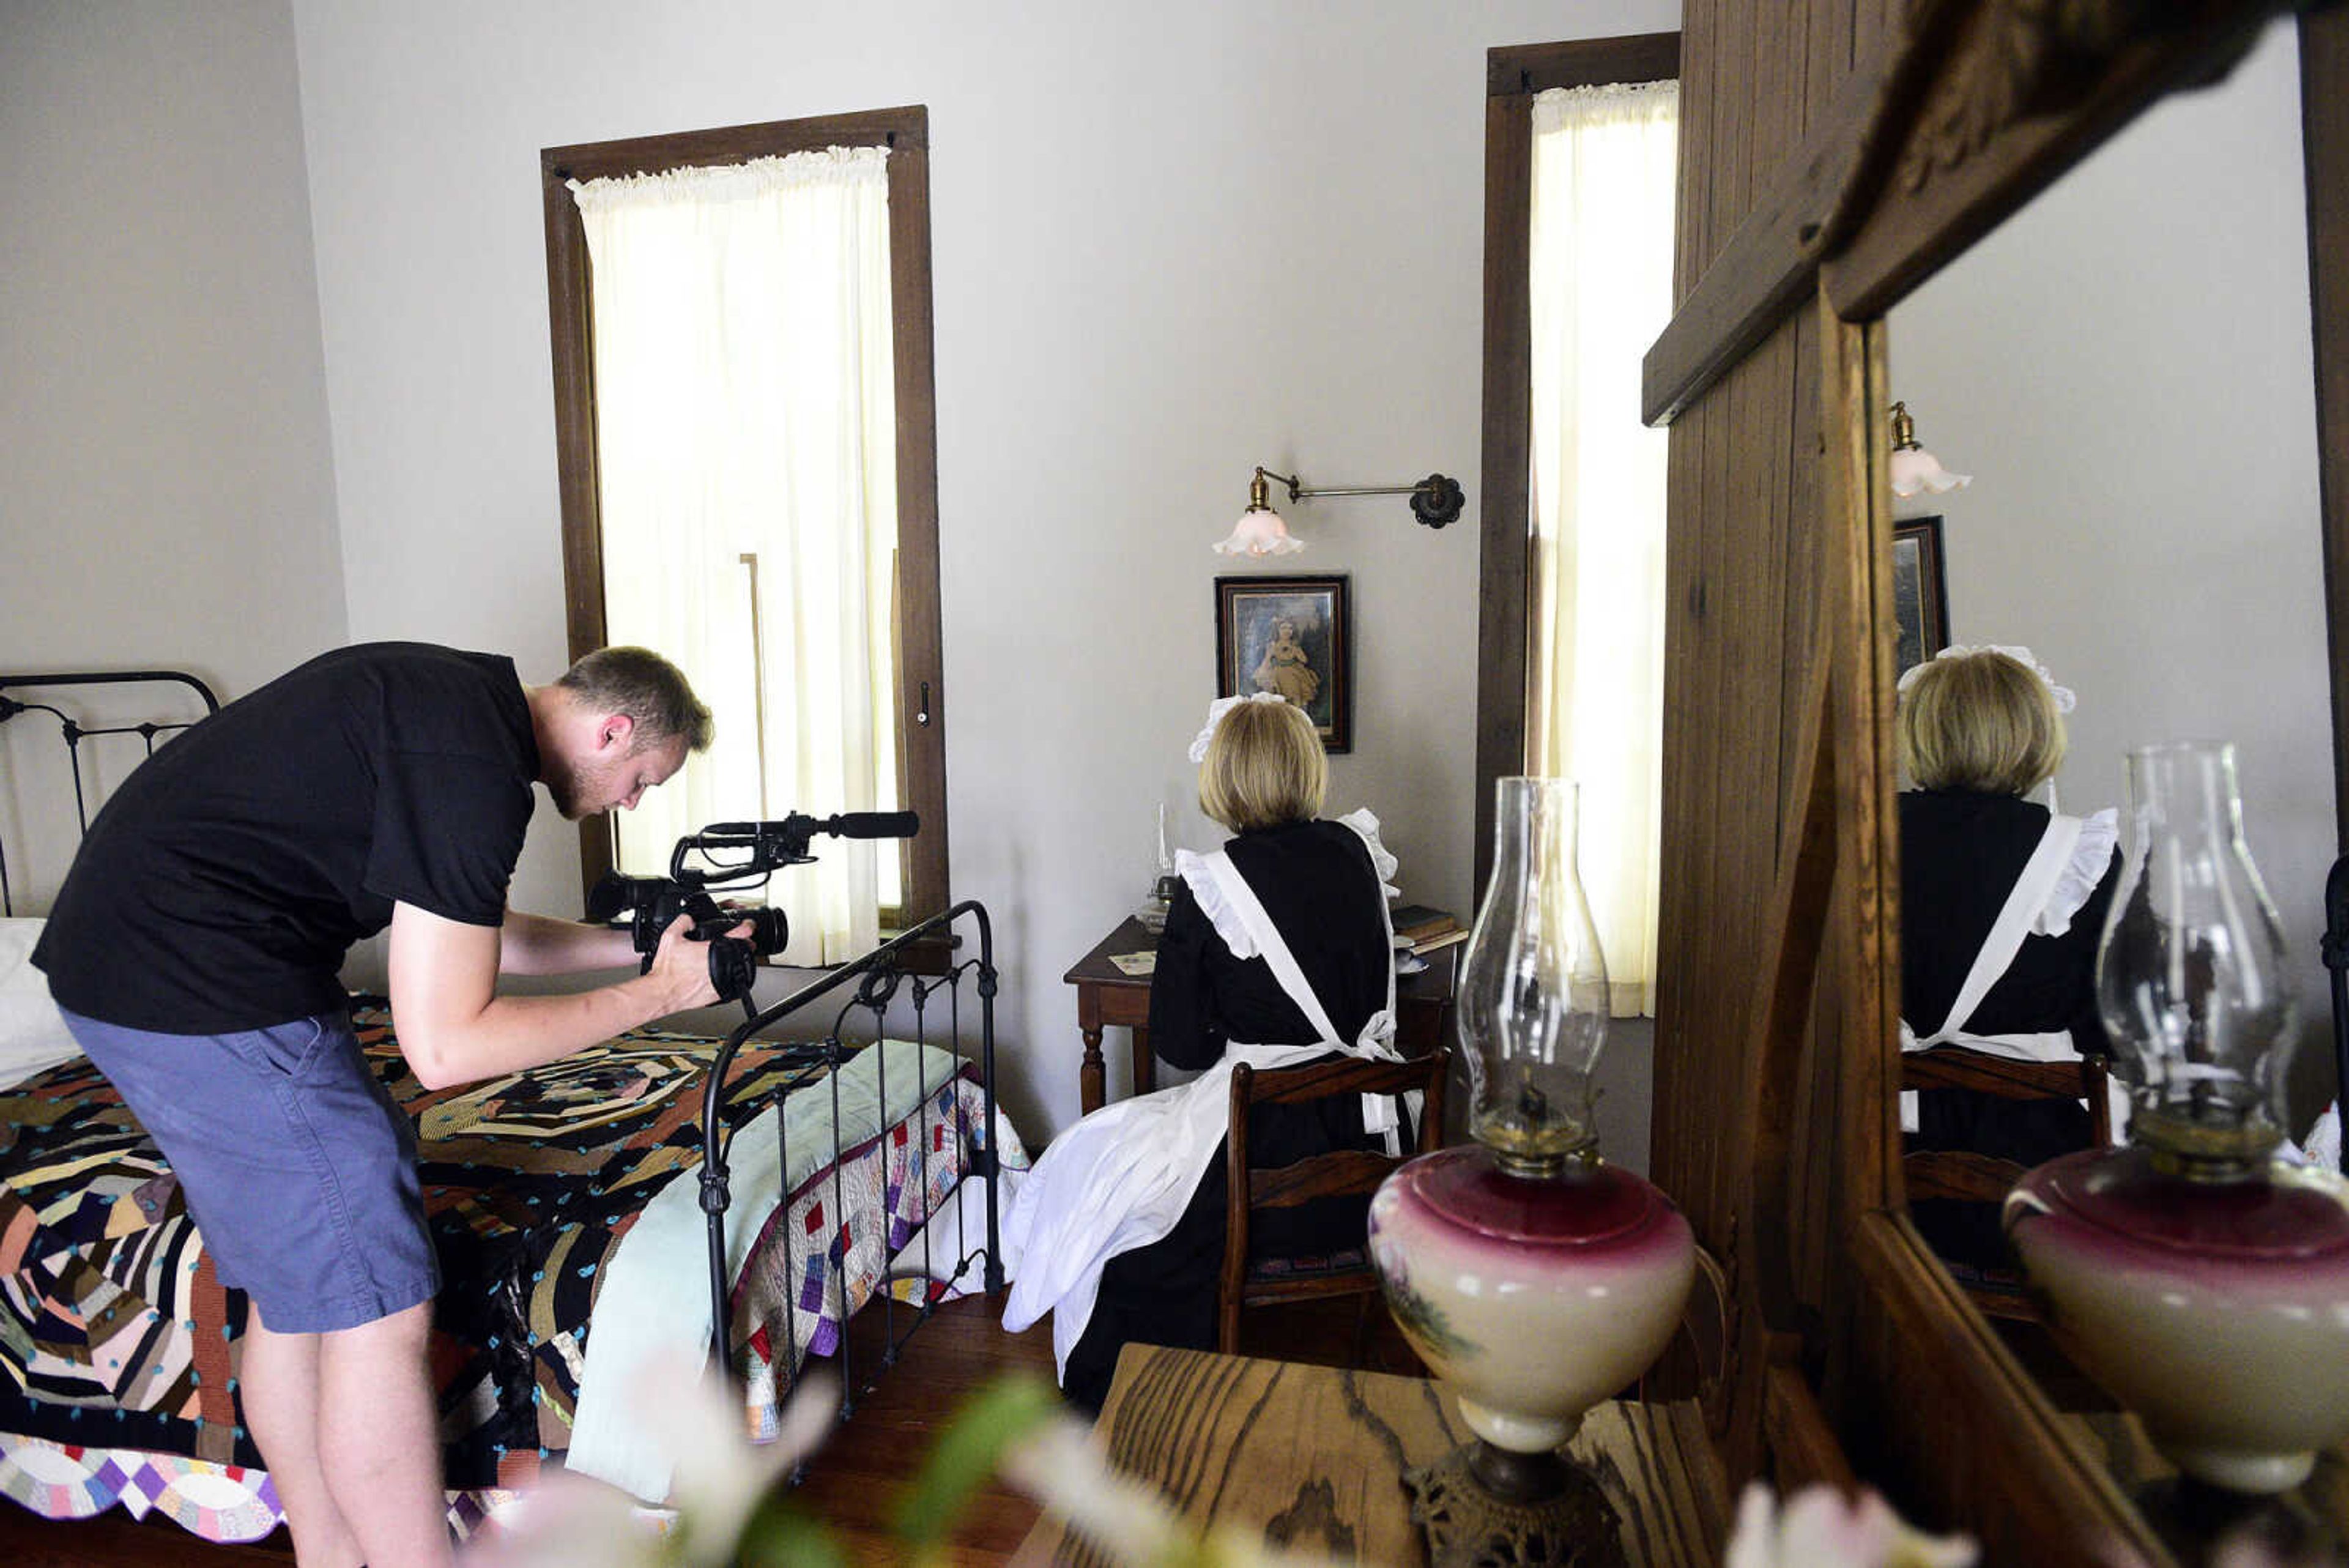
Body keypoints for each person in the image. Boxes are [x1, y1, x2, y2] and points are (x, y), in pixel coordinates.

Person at [31, 641, 736, 1568]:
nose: (633, 801)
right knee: (377, 1309)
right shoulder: (476, 771)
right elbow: (445, 1049)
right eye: (642, 777)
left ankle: (332, 1554)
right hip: (205, 986)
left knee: (298, 1302)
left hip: (130, 973)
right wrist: (657, 1001)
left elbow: (462, 927)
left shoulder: (450, 708)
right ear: (611, 729)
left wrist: (637, 950)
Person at [1000, 691, 1408, 1411]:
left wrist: (1230, 1003)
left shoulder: (1215, 883)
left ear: (1224, 778)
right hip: (1372, 1167)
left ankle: (1135, 1404)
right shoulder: (1358, 852)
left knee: (1106, 1184)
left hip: (1263, 1178)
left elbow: (1183, 1046)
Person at [1896, 644, 2120, 1271]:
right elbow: (2106, 1031)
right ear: (2035, 732)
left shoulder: (1865, 831)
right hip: (2035, 1181)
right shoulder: (2080, 854)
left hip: (1877, 1170)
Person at [1251, 617, 1321, 707]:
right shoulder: (1273, 645)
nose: (1287, 631)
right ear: (1278, 631)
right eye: (1283, 628)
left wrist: (1296, 650)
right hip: (1278, 673)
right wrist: (1265, 669)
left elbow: (1304, 660)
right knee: (1279, 697)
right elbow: (1267, 661)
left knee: (1295, 694)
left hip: (1293, 673)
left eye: (1290, 628)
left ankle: (1298, 713)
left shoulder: (1294, 645)